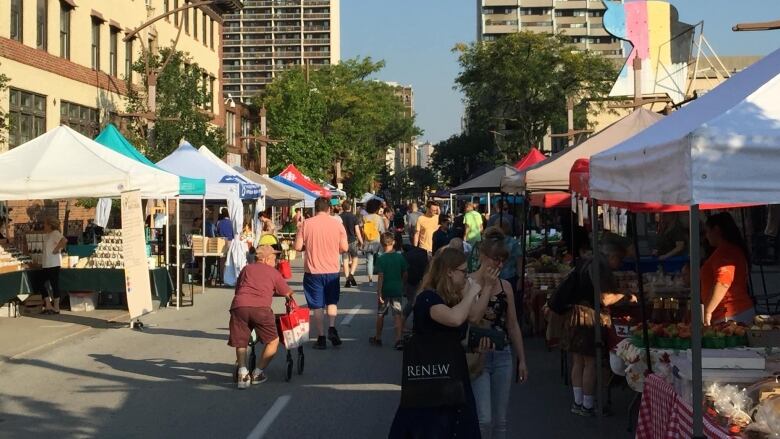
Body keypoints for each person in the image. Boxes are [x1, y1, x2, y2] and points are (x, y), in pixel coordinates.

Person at [389, 248, 483, 438]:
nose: (466, 276)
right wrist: (472, 291)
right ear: (449, 272)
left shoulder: (451, 299)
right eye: (463, 272)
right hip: (430, 381)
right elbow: (454, 319)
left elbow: (471, 317)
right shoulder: (427, 298)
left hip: (452, 376)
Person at [468, 227, 528, 439]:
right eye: (496, 259)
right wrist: (487, 287)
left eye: (503, 260)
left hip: (503, 355)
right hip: (477, 355)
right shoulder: (468, 284)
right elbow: (472, 318)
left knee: (500, 420)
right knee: (484, 419)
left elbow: (512, 324)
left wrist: (522, 359)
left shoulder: (506, 287)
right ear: (483, 257)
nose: (499, 265)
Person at [566, 241, 637, 416]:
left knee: (579, 361)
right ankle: (588, 405)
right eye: (619, 260)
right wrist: (626, 296)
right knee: (591, 362)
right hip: (590, 317)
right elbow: (604, 299)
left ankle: (578, 402)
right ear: (613, 256)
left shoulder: (587, 261)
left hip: (576, 312)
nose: (619, 264)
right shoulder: (600, 267)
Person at [228, 245, 293, 389]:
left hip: (239, 306)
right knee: (273, 341)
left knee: (241, 341)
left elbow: (238, 289)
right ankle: (258, 373)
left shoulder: (246, 269)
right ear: (266, 259)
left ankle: (243, 373)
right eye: (274, 258)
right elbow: (287, 292)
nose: (275, 261)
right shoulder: (273, 272)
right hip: (261, 309)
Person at [295, 197, 349, 350]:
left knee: (317, 305)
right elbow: (344, 248)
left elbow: (298, 247)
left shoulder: (306, 224)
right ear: (329, 209)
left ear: (315, 208)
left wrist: (309, 247)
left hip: (313, 271)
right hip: (332, 269)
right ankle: (332, 327)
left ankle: (321, 337)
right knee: (332, 302)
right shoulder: (337, 224)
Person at [702, 212, 754, 325]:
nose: (706, 236)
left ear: (716, 230)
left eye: (707, 231)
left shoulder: (725, 252)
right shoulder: (732, 250)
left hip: (729, 314)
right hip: (735, 312)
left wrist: (707, 311)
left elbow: (723, 282)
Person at [369, 232, 408, 349]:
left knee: (381, 314)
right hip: (397, 289)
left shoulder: (381, 259)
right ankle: (398, 339)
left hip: (385, 290)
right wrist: (402, 283)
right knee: (397, 314)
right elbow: (405, 273)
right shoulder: (400, 257)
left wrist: (379, 291)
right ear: (394, 242)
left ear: (381, 243)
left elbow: (381, 276)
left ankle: (378, 337)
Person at [40, 217, 67, 315]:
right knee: (40, 283)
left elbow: (64, 240)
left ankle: (56, 307)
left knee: (54, 284)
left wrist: (56, 249)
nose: (44, 226)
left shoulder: (55, 233)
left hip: (54, 264)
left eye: (45, 224)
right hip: (46, 264)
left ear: (50, 225)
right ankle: (48, 304)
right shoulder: (47, 235)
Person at [401, 243, 429, 322]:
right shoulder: (422, 253)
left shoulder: (405, 256)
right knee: (415, 301)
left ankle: (403, 319)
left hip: (410, 281)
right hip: (420, 279)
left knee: (412, 301)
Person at [362, 199, 386, 287]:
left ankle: (370, 280)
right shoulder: (378, 218)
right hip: (377, 242)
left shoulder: (364, 218)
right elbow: (382, 231)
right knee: (381, 260)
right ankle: (382, 278)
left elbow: (362, 230)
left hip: (367, 242)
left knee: (369, 261)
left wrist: (361, 241)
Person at [340, 201, 363, 288]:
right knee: (355, 258)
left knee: (345, 260)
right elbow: (357, 231)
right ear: (350, 207)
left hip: (343, 241)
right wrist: (361, 241)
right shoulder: (354, 217)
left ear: (342, 207)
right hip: (352, 241)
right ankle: (351, 274)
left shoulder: (340, 217)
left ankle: (347, 279)